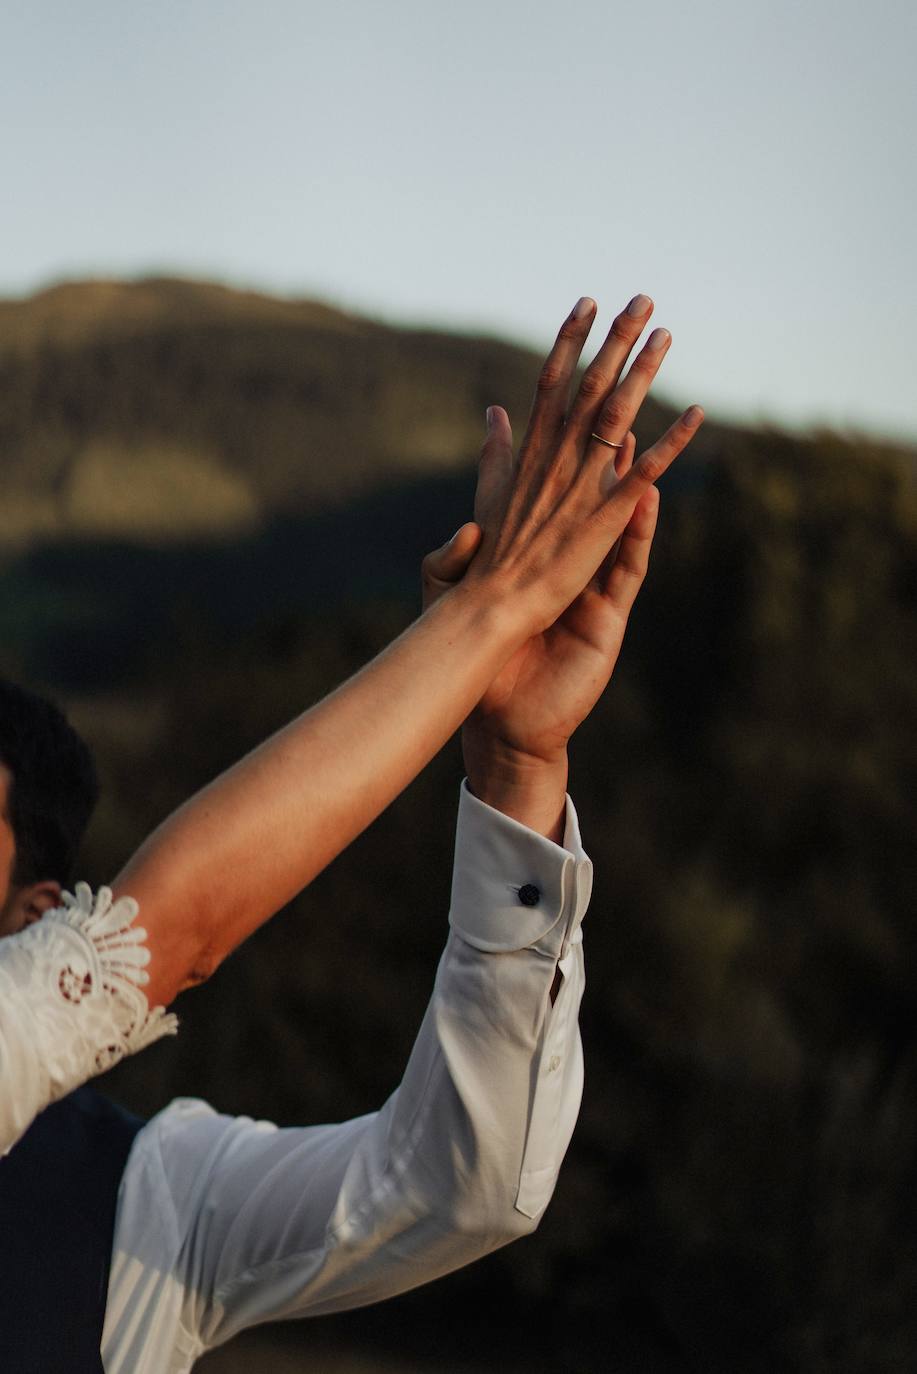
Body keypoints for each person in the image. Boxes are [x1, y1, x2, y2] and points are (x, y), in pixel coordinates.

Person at [0, 294, 703, 1372]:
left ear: (34, 914)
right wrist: (485, 618)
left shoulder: (149, 1200)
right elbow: (171, 931)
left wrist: (515, 768)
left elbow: (452, 1186)